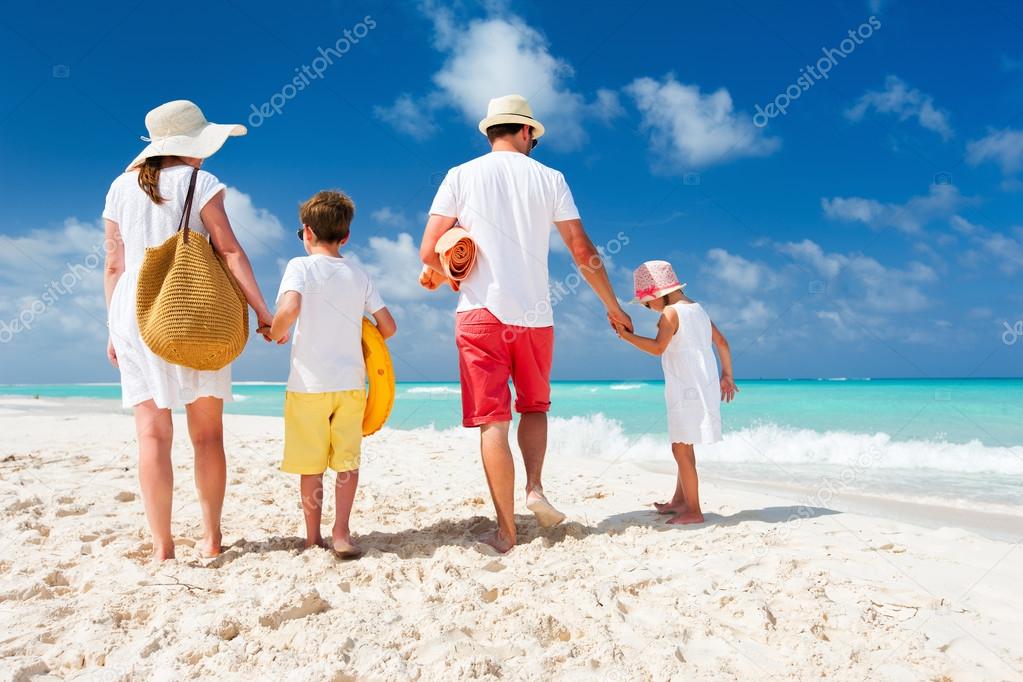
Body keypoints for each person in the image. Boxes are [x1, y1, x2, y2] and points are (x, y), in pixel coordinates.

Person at [419, 94, 633, 553]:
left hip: (480, 315)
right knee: (534, 407)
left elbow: (427, 250)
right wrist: (612, 305)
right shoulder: (551, 178)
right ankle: (535, 488)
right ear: (525, 131)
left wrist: (446, 270)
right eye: (533, 135)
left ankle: (506, 530)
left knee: (493, 422)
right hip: (536, 315)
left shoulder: (459, 175)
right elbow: (581, 249)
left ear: (493, 131)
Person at [103, 100, 276, 560]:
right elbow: (229, 251)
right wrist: (263, 311)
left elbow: (114, 265)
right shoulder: (202, 182)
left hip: (133, 314)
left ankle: (162, 546)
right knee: (207, 436)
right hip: (192, 311)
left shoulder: (119, 188)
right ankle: (211, 538)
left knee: (151, 436)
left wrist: (111, 328)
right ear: (190, 144)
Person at [268, 190, 396, 557]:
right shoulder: (359, 274)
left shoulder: (300, 267)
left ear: (307, 232)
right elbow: (388, 327)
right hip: (351, 386)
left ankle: (312, 537)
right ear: (346, 236)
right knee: (347, 462)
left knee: (311, 466)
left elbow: (289, 310)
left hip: (308, 385)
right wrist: (360, 329)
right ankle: (341, 533)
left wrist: (275, 332)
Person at [613, 261, 738, 524]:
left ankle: (693, 509)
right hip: (701, 385)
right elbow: (722, 342)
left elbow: (658, 348)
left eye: (647, 303)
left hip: (686, 387)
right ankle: (679, 501)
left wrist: (625, 337)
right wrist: (727, 375)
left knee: (681, 449)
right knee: (683, 444)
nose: (648, 307)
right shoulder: (699, 310)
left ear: (659, 294)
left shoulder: (670, 313)